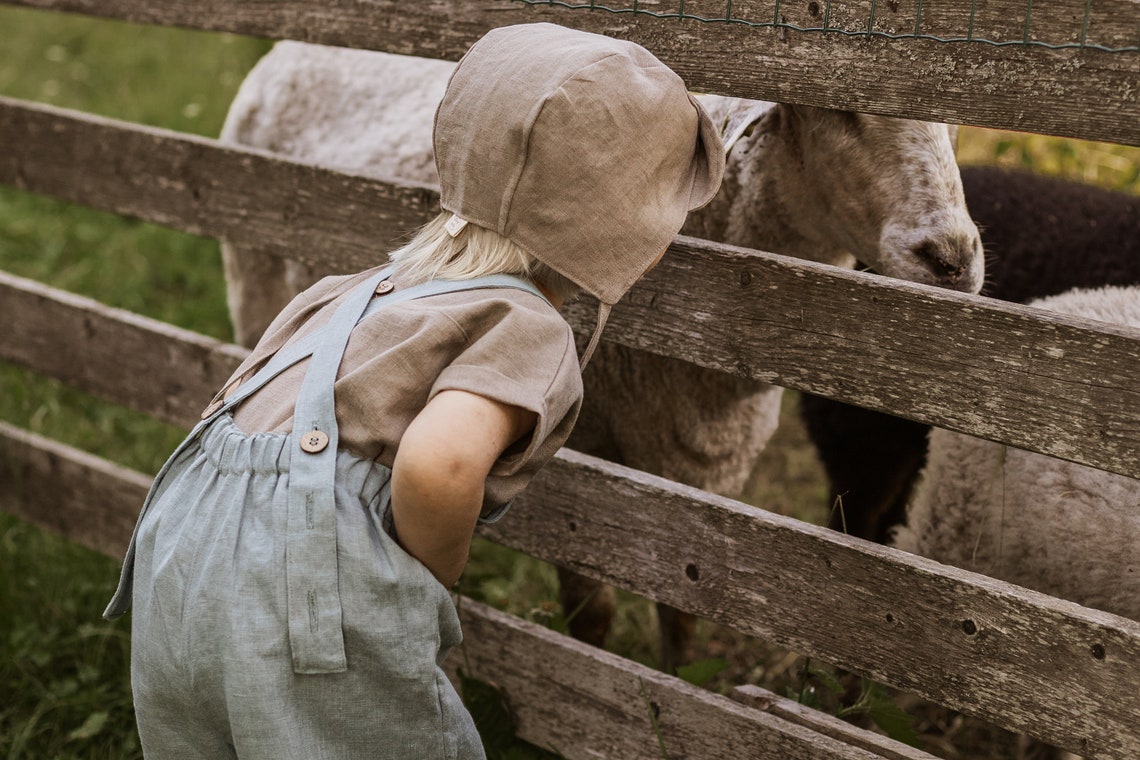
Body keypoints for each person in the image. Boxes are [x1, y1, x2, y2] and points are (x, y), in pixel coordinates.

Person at [104, 21, 724, 759]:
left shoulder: (357, 290)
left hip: (177, 562)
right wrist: (425, 579)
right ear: (632, 231)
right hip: (300, 586)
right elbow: (439, 464)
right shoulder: (523, 326)